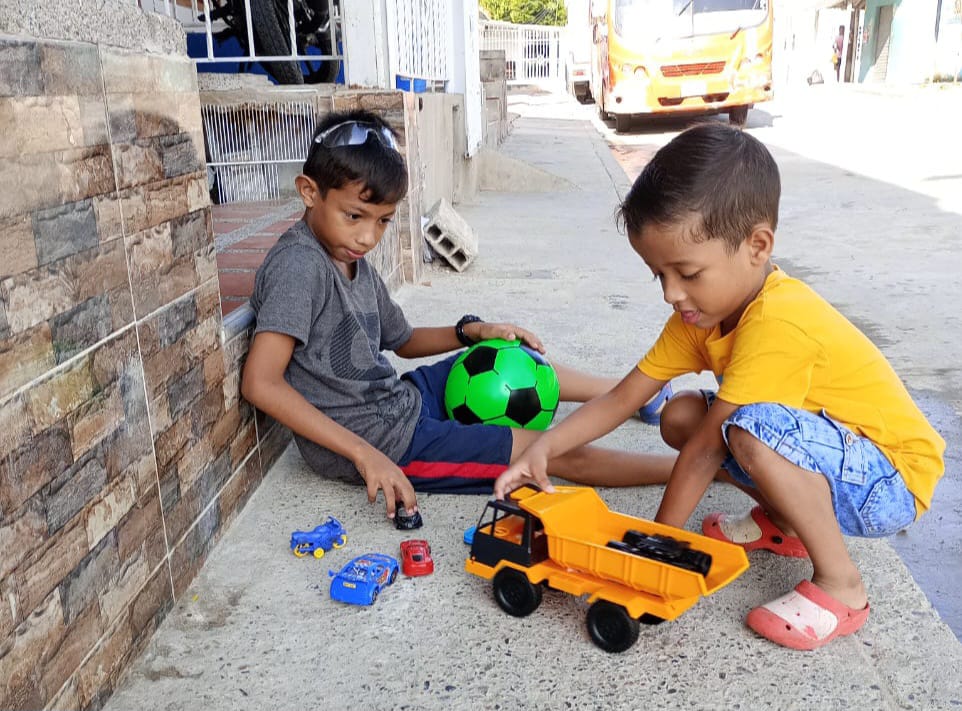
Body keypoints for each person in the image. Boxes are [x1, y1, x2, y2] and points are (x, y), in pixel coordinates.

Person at [494, 122, 945, 651]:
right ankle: (786, 524)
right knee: (680, 415)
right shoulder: (701, 317)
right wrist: (543, 448)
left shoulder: (779, 321)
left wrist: (655, 547)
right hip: (835, 453)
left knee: (739, 428)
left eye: (687, 272)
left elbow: (711, 447)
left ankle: (843, 586)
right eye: (658, 275)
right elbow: (625, 397)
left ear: (757, 245)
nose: (671, 293)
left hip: (891, 480)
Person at [241, 108, 675, 522]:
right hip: (390, 443)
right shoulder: (298, 267)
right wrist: (364, 453)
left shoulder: (348, 257)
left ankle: (633, 394)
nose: (368, 236)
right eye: (354, 216)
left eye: (383, 221)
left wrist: (473, 332)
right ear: (309, 191)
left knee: (510, 355)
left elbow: (404, 340)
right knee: (547, 451)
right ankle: (693, 468)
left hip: (400, 399)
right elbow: (261, 382)